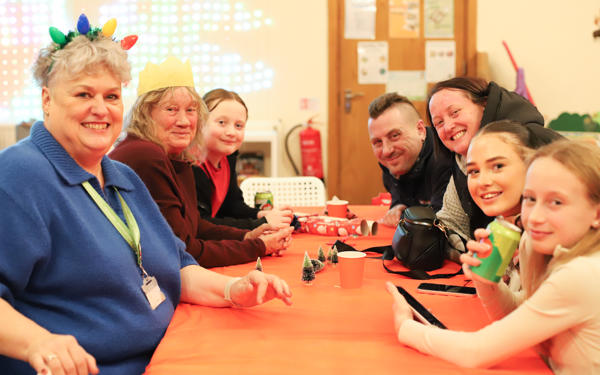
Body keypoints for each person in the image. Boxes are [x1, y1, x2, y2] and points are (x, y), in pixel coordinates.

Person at [0, 16, 292, 375]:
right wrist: (38, 343)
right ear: (47, 99)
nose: (100, 108)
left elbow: (175, 267)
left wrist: (234, 289)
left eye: (111, 96)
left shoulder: (121, 177)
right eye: (83, 94)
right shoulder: (19, 174)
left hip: (164, 353)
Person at [387, 140, 600, 374]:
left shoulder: (583, 273)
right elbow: (521, 316)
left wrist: (405, 327)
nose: (535, 217)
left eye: (556, 202)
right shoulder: (550, 250)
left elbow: (476, 352)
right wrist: (486, 281)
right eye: (530, 198)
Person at [110, 58, 294, 268]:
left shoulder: (176, 156)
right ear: (145, 114)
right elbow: (184, 250)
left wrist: (248, 235)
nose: (184, 121)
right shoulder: (146, 155)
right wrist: (258, 247)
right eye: (171, 109)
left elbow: (195, 226)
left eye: (191, 110)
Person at [426, 77, 557, 257]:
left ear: (485, 105)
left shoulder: (537, 145)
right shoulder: (460, 161)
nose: (448, 126)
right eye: (439, 122)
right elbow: (450, 220)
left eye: (498, 166)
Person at [465, 120, 562, 289]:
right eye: (474, 171)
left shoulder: (552, 240)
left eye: (498, 166)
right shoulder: (504, 230)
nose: (482, 181)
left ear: (532, 166)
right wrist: (487, 282)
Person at [191, 88, 294, 230]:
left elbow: (232, 206)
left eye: (238, 125)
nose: (231, 132)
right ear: (200, 123)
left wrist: (260, 214)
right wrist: (262, 223)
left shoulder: (227, 159)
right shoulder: (191, 165)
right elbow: (201, 223)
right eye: (221, 122)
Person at [367, 93, 452, 227]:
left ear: (420, 130)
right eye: (377, 142)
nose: (386, 151)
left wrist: (403, 215)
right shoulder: (392, 162)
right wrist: (398, 205)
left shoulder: (444, 159)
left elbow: (437, 223)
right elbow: (400, 199)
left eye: (395, 135)